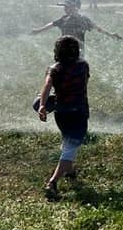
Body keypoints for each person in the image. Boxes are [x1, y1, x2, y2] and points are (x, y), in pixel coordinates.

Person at [36, 36, 90, 199]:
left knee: (68, 140)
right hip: (79, 110)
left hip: (61, 112)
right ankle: (52, 182)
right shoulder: (83, 66)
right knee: (71, 146)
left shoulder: (54, 69)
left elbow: (46, 87)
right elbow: (84, 84)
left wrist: (42, 105)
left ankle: (70, 170)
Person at [31, 0, 123, 54]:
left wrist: (111, 34)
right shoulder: (63, 19)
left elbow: (97, 28)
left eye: (67, 7)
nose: (65, 8)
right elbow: (52, 24)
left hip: (79, 51)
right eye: (64, 7)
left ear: (76, 8)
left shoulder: (84, 20)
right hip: (63, 49)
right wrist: (38, 30)